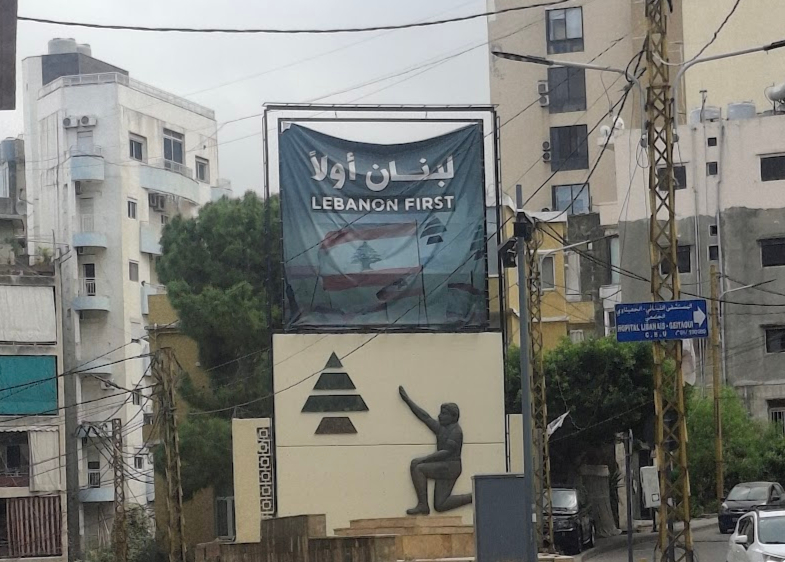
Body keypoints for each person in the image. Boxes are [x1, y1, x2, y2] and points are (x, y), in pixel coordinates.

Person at [399, 386, 472, 515]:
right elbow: (425, 417)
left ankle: (423, 505)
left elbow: (446, 452)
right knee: (440, 505)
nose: (439, 416)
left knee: (418, 467)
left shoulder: (456, 432)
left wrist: (423, 459)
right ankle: (473, 496)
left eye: (443, 414)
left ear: (453, 416)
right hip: (445, 467)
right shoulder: (442, 429)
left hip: (450, 467)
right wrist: (407, 400)